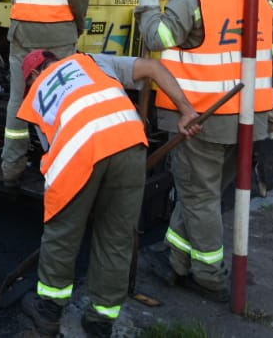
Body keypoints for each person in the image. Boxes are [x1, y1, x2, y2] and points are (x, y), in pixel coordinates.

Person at [135, 0, 273, 302]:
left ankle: (209, 276)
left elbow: (156, 37)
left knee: (200, 198)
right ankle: (177, 258)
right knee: (199, 194)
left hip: (201, 119)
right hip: (249, 117)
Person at [18, 49, 200, 338]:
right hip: (129, 141)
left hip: (79, 150)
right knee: (116, 237)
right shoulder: (91, 60)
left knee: (62, 232)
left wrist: (81, 202)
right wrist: (187, 110)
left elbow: (56, 154)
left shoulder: (38, 93)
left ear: (34, 76)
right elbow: (153, 68)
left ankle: (49, 311)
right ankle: (101, 320)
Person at [1, 0, 91, 188]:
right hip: (57, 28)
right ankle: (61, 169)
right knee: (61, 101)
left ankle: (11, 168)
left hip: (21, 27)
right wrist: (79, 23)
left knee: (18, 99)